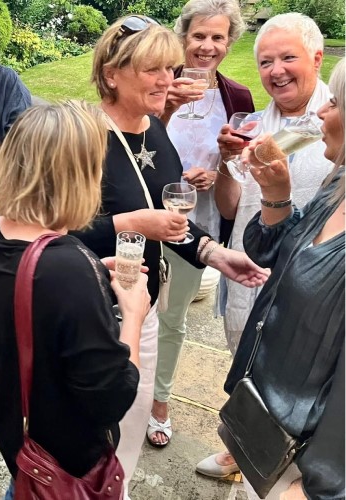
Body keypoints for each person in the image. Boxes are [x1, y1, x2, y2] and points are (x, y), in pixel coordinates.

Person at [75, 15, 268, 489]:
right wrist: (131, 224)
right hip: (88, 311)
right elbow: (49, 232)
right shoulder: (78, 135)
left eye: (170, 67)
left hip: (140, 304)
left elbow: (168, 217)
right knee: (85, 441)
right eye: (153, 69)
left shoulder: (155, 129)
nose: (168, 80)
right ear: (111, 74)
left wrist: (214, 253)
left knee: (130, 427)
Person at [198, 12, 337, 480]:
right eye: (264, 62)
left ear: (316, 58)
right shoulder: (254, 125)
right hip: (248, 270)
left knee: (300, 386)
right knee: (244, 359)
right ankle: (242, 447)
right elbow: (230, 207)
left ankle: (293, 469)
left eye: (287, 58)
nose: (275, 71)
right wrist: (225, 162)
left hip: (310, 289)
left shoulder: (334, 128)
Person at [0, 101, 148, 499]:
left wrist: (91, 273)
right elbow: (110, 397)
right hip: (64, 470)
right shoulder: (67, 268)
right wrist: (133, 315)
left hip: (21, 451)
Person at [150, 0, 256, 449]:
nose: (207, 46)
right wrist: (166, 108)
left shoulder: (239, 98)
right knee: (128, 308)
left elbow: (239, 166)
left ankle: (159, 401)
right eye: (198, 35)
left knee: (172, 317)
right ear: (183, 37)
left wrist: (219, 171)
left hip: (197, 224)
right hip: (144, 212)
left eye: (217, 37)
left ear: (230, 42)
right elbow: (132, 143)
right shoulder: (160, 83)